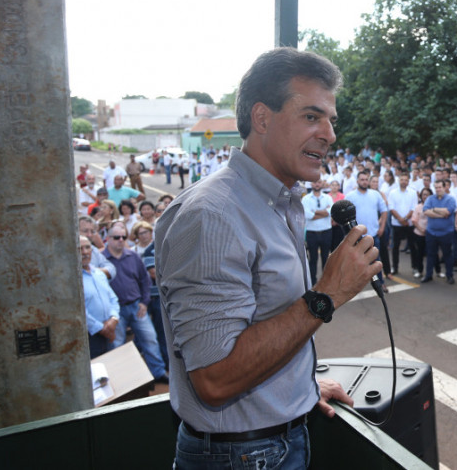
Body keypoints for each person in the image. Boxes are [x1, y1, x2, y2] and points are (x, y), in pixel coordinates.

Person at [154, 48, 378, 468]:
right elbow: (215, 379)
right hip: (242, 455)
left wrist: (301, 390)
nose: (330, 134)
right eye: (311, 116)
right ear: (261, 117)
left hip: (269, 440)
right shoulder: (214, 216)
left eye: (331, 120)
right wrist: (326, 295)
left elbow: (265, 324)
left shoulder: (275, 201)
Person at [102, 221, 167, 382]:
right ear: (108, 238)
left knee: (150, 339)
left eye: (123, 237)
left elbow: (145, 280)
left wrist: (144, 302)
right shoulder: (102, 260)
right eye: (117, 237)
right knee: (116, 346)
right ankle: (120, 380)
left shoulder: (133, 256)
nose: (121, 240)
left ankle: (158, 373)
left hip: (136, 306)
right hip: (115, 311)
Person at [346, 170, 388, 289]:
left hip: (373, 235)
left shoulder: (375, 194)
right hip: (357, 236)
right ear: (357, 181)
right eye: (362, 180)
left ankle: (380, 283)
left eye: (366, 180)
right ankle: (355, 286)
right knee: (356, 261)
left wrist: (382, 227)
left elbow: (384, 211)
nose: (364, 182)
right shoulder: (350, 196)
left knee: (376, 261)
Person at [80, 234, 120, 358]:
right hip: (90, 335)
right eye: (79, 248)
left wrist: (113, 319)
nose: (85, 252)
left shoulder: (99, 274)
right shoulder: (73, 280)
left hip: (110, 329)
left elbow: (112, 298)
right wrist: (101, 328)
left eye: (87, 247)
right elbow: (79, 310)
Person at [422, 178, 457, 284]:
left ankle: (449, 276)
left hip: (446, 233)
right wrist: (441, 214)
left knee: (447, 255)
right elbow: (425, 211)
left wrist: (434, 209)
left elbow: (448, 212)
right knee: (430, 255)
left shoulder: (451, 199)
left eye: (440, 187)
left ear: (445, 187)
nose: (438, 189)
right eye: (436, 187)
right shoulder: (430, 198)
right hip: (431, 232)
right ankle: (428, 275)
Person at [301, 179, 334, 284]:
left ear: (322, 184)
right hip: (312, 233)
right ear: (311, 184)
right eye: (315, 182)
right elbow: (308, 215)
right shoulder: (306, 199)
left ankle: (326, 282)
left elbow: (331, 212)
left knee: (326, 258)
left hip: (326, 232)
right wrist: (324, 212)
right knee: (313, 259)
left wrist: (314, 212)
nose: (317, 184)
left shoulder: (328, 197)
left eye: (319, 182)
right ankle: (313, 283)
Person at [388, 173, 418, 276]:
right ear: (399, 180)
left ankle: (415, 267)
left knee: (412, 246)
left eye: (406, 180)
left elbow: (414, 208)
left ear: (408, 181)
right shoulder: (393, 193)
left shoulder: (413, 193)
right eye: (402, 179)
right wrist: (400, 219)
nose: (404, 181)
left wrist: (405, 219)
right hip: (396, 224)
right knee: (395, 247)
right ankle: (395, 267)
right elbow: (391, 208)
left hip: (409, 224)